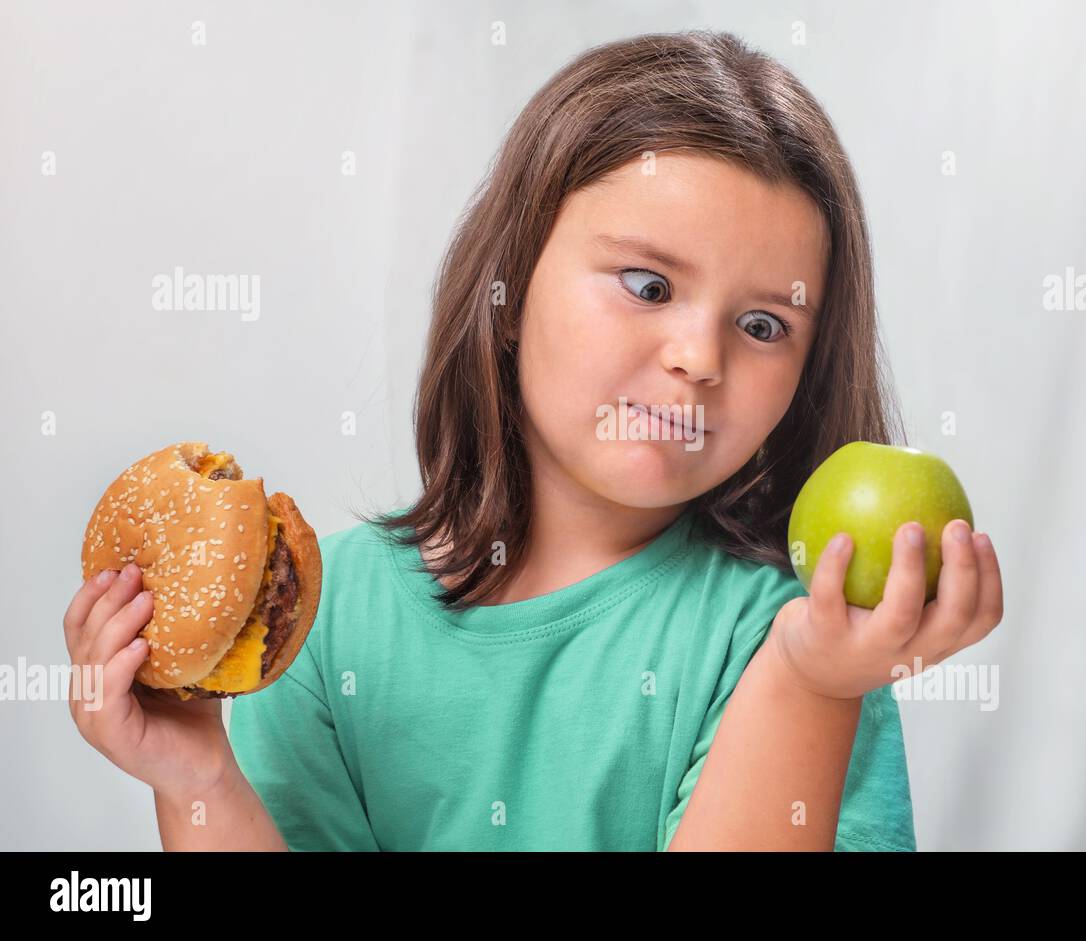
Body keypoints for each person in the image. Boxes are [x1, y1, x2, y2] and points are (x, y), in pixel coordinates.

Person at [66, 29, 1002, 851]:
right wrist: (198, 783)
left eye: (763, 325)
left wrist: (812, 682)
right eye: (647, 284)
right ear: (509, 290)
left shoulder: (804, 641)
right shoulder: (316, 616)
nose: (698, 357)